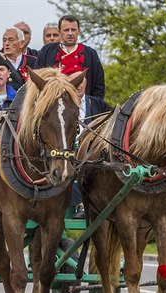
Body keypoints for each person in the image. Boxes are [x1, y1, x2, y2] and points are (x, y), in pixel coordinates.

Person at [64, 67, 112, 219]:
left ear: (85, 83)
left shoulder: (98, 105)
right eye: (73, 82)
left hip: (93, 154)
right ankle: (81, 204)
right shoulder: (60, 105)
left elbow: (111, 124)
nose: (78, 85)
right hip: (68, 152)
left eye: (80, 81)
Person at [37, 15, 106, 99]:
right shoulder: (46, 51)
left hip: (83, 104)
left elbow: (99, 86)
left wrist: (92, 105)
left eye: (73, 30)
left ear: (79, 31)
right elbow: (37, 80)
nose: (70, 33)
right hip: (53, 104)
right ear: (59, 31)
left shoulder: (90, 53)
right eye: (66, 30)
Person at [1, 27, 37, 92]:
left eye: (11, 40)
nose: (6, 43)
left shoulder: (33, 62)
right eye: (4, 40)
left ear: (21, 44)